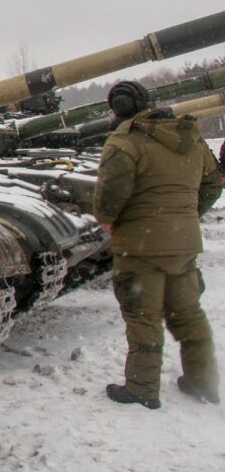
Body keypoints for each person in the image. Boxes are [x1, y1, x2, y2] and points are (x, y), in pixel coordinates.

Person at [93, 80, 221, 409]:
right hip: (184, 241)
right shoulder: (189, 137)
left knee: (143, 315)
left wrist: (107, 218)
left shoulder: (125, 141)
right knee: (188, 313)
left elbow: (110, 194)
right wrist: (186, 214)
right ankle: (202, 381)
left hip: (140, 245)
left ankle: (142, 388)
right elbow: (213, 183)